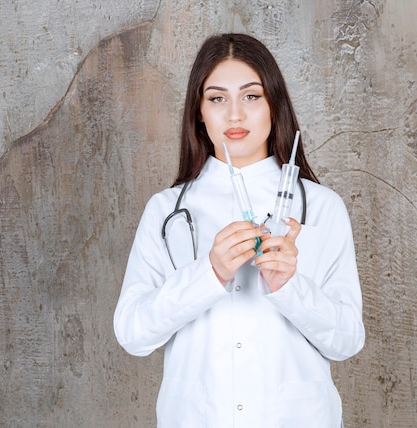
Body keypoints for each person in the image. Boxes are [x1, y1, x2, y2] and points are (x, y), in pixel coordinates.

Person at [113, 33, 365, 427]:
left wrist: (289, 286)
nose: (234, 115)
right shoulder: (167, 211)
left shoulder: (321, 207)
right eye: (217, 98)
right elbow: (133, 333)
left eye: (251, 96)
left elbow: (347, 341)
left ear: (273, 106)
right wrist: (208, 273)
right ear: (199, 112)